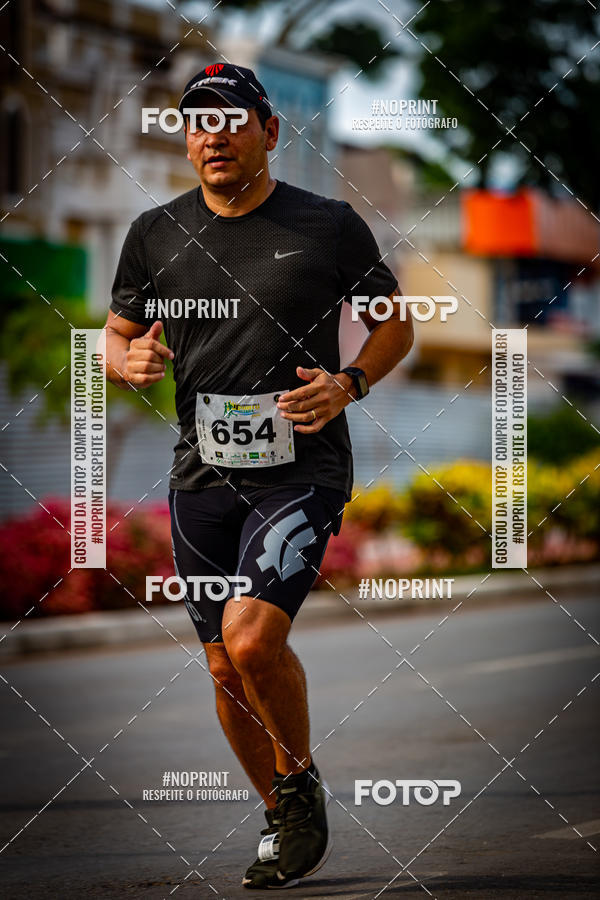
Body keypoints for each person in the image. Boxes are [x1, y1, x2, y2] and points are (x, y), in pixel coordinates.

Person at [104, 63, 413, 889]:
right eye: (196, 122)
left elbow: (395, 326)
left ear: (269, 132)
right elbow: (116, 333)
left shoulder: (328, 225)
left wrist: (349, 382)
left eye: (231, 119)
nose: (213, 134)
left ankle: (297, 778)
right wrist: (126, 357)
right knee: (219, 664)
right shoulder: (154, 233)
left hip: (302, 465)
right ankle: (287, 806)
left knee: (251, 639)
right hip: (200, 473)